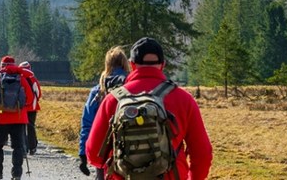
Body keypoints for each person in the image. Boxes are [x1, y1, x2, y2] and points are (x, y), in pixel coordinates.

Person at [86, 38, 213, 180]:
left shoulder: (113, 99)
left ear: (132, 65)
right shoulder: (184, 99)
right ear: (163, 65)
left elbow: (93, 154)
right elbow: (203, 154)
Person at [77, 46, 130, 179]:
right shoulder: (132, 86)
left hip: (103, 149)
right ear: (125, 63)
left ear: (107, 64)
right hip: (130, 146)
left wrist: (83, 153)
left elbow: (87, 123)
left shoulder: (98, 90)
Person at [0, 56, 34, 180]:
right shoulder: (21, 78)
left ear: (2, 65)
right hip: (18, 117)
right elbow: (30, 97)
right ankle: (16, 174)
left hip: (0, 118)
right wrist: (22, 108)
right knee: (17, 146)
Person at [19, 62, 41, 155]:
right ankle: (32, 147)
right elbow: (39, 94)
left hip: (21, 107)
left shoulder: (18, 78)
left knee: (21, 127)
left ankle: (23, 147)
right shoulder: (33, 79)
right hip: (32, 107)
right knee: (31, 126)